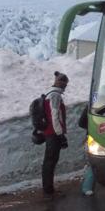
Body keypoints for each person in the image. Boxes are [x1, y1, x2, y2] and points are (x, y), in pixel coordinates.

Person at [42, 71, 69, 199]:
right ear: (62, 83)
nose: (66, 86)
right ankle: (49, 191)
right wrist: (60, 135)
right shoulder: (55, 96)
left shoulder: (50, 94)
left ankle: (48, 189)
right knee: (50, 161)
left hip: (50, 133)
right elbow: (55, 116)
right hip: (53, 134)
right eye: (65, 83)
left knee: (49, 161)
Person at [78, 104, 95, 196]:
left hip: (95, 136)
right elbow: (81, 122)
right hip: (95, 137)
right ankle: (87, 187)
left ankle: (88, 186)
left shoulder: (90, 104)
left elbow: (81, 122)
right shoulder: (91, 105)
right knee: (92, 161)